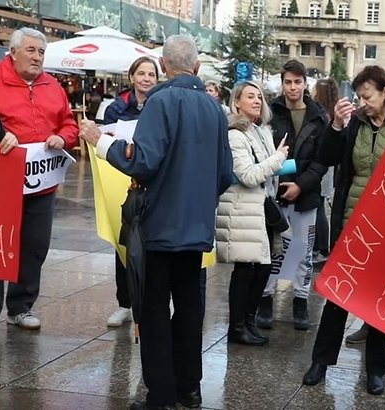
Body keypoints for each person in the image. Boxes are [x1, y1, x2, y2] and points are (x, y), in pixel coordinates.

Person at [78, 35, 233, 410]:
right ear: (196, 68)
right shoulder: (215, 109)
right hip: (196, 230)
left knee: (153, 310)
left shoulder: (160, 101)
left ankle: (160, 395)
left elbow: (142, 161)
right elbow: (225, 173)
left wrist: (101, 143)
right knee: (190, 309)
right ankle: (189, 390)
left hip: (159, 226)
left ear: (164, 66)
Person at [301, 65, 385, 395]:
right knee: (337, 297)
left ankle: (376, 369)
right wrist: (335, 124)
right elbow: (329, 157)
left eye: (367, 96)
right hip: (354, 222)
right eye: (359, 96)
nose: (362, 102)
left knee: (380, 299)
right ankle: (320, 362)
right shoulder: (354, 124)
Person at [0, 28, 78, 338]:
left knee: (34, 245)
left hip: (42, 181)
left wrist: (62, 137)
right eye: (31, 50)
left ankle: (21, 307)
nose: (37, 57)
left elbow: (68, 123)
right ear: (12, 52)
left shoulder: (52, 85)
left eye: (41, 52)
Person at [257, 60, 328, 331]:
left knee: (303, 251)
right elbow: (264, 149)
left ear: (305, 83)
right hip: (275, 191)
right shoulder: (271, 112)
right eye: (288, 82)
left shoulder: (317, 115)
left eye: (298, 82)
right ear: (282, 82)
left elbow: (321, 160)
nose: (293, 87)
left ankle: (301, 301)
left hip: (307, 194)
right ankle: (265, 299)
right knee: (272, 250)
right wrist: (283, 183)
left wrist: (300, 185)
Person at [216, 81, 288, 346]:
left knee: (262, 267)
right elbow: (247, 175)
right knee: (246, 268)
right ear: (236, 103)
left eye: (259, 97)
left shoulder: (261, 131)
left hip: (261, 206)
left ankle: (249, 320)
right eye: (250, 97)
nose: (257, 101)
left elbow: (266, 170)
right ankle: (237, 327)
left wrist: (278, 163)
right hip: (243, 207)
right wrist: (279, 158)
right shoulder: (235, 133)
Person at [102, 56, 159, 328]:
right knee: (123, 242)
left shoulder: (160, 106)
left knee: (152, 244)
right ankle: (124, 303)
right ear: (132, 77)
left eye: (152, 74)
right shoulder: (116, 108)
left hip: (152, 184)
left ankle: (150, 302)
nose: (147, 79)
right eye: (142, 73)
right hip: (121, 182)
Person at [310, 78, 338, 264]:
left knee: (319, 206)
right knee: (318, 206)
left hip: (323, 169)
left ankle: (323, 249)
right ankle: (319, 247)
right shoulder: (330, 114)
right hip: (325, 169)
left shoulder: (324, 116)